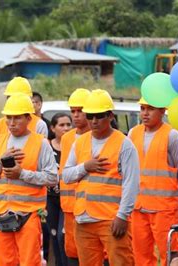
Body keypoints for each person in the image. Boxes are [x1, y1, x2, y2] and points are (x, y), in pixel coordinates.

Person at [62, 89, 140, 265]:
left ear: (110, 116)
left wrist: (122, 216)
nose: (94, 121)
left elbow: (131, 184)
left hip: (111, 219)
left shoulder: (124, 145)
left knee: (121, 262)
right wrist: (85, 167)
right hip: (83, 218)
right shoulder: (80, 142)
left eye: (99, 116)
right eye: (90, 116)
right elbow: (66, 176)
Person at [0, 93, 58, 265]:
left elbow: (53, 178)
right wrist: (0, 162)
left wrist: (22, 174)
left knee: (29, 262)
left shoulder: (41, 143)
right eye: (8, 117)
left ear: (28, 118)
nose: (11, 122)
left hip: (28, 215)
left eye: (17, 118)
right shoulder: (0, 141)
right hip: (0, 214)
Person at [129, 97, 178, 266]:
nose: (145, 113)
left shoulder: (172, 135)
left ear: (163, 111)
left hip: (164, 209)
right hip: (138, 207)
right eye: (143, 108)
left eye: (150, 108)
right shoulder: (133, 133)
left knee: (171, 254)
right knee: (140, 256)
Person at [59, 88, 91, 265]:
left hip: (91, 205)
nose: (76, 115)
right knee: (71, 251)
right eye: (73, 111)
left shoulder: (95, 136)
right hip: (69, 205)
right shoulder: (67, 138)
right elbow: (64, 172)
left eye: (80, 111)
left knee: (92, 252)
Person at [42, 112, 72, 266]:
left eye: (68, 124)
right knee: (53, 235)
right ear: (53, 128)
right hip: (50, 198)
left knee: (63, 235)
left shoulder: (74, 145)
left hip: (68, 198)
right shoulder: (46, 145)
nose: (66, 128)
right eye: (61, 125)